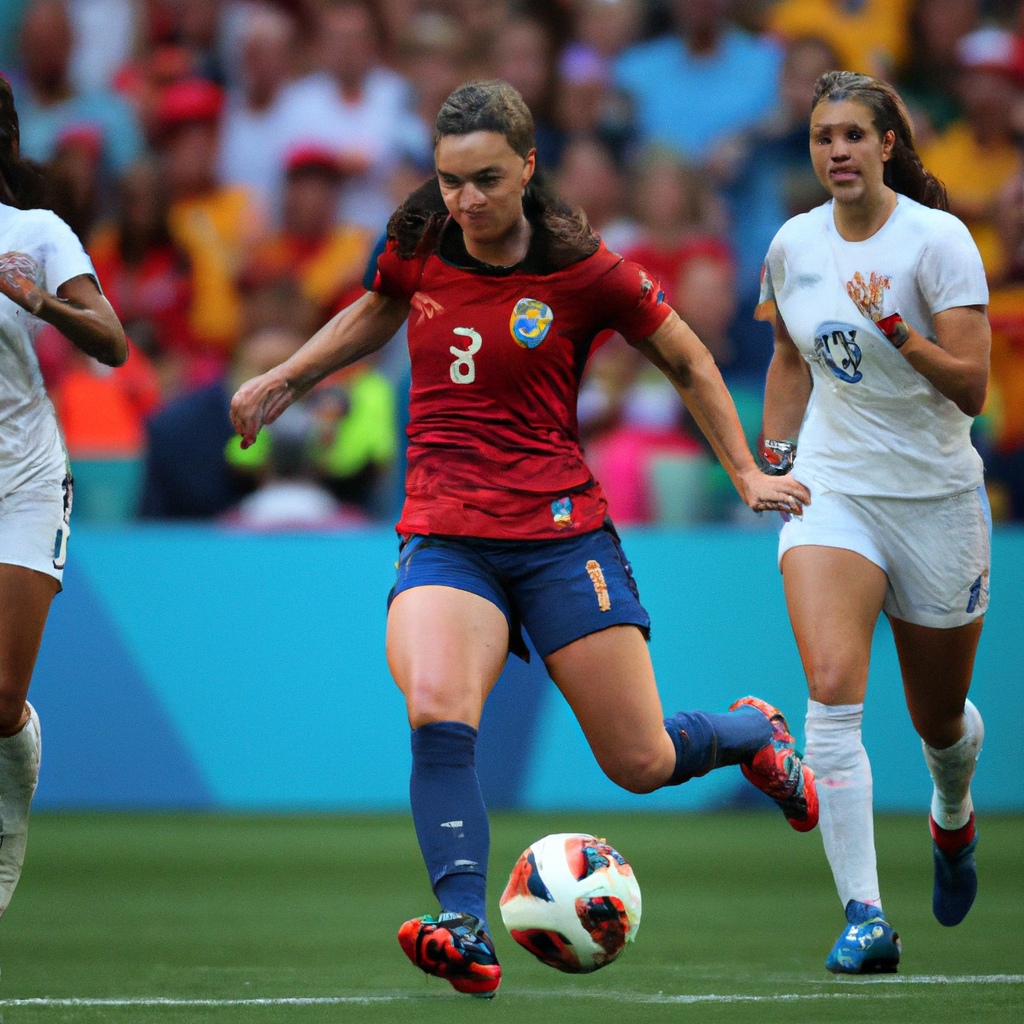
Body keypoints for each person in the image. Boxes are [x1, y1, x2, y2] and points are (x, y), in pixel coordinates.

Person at [230, 80, 816, 999]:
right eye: (451, 180)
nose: (465, 200)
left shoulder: (585, 270)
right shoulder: (418, 235)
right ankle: (462, 920)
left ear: (529, 166)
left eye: (486, 180)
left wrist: (743, 472)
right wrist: (288, 377)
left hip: (559, 537)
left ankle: (751, 733)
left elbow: (690, 358)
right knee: (435, 705)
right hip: (445, 532)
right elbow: (381, 304)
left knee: (641, 762)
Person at [756, 71, 991, 974]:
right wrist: (775, 460)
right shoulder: (792, 243)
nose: (837, 151)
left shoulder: (939, 242)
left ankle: (953, 812)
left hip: (935, 498)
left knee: (938, 721)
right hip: (835, 488)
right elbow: (786, 352)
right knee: (829, 695)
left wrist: (895, 328)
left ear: (888, 144)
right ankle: (864, 915)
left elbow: (972, 385)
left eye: (854, 134)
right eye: (823, 136)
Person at [0, 73, 126, 918]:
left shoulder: (34, 232)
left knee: (0, 700)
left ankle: (7, 805)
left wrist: (38, 299)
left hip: (22, 480)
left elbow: (113, 342)